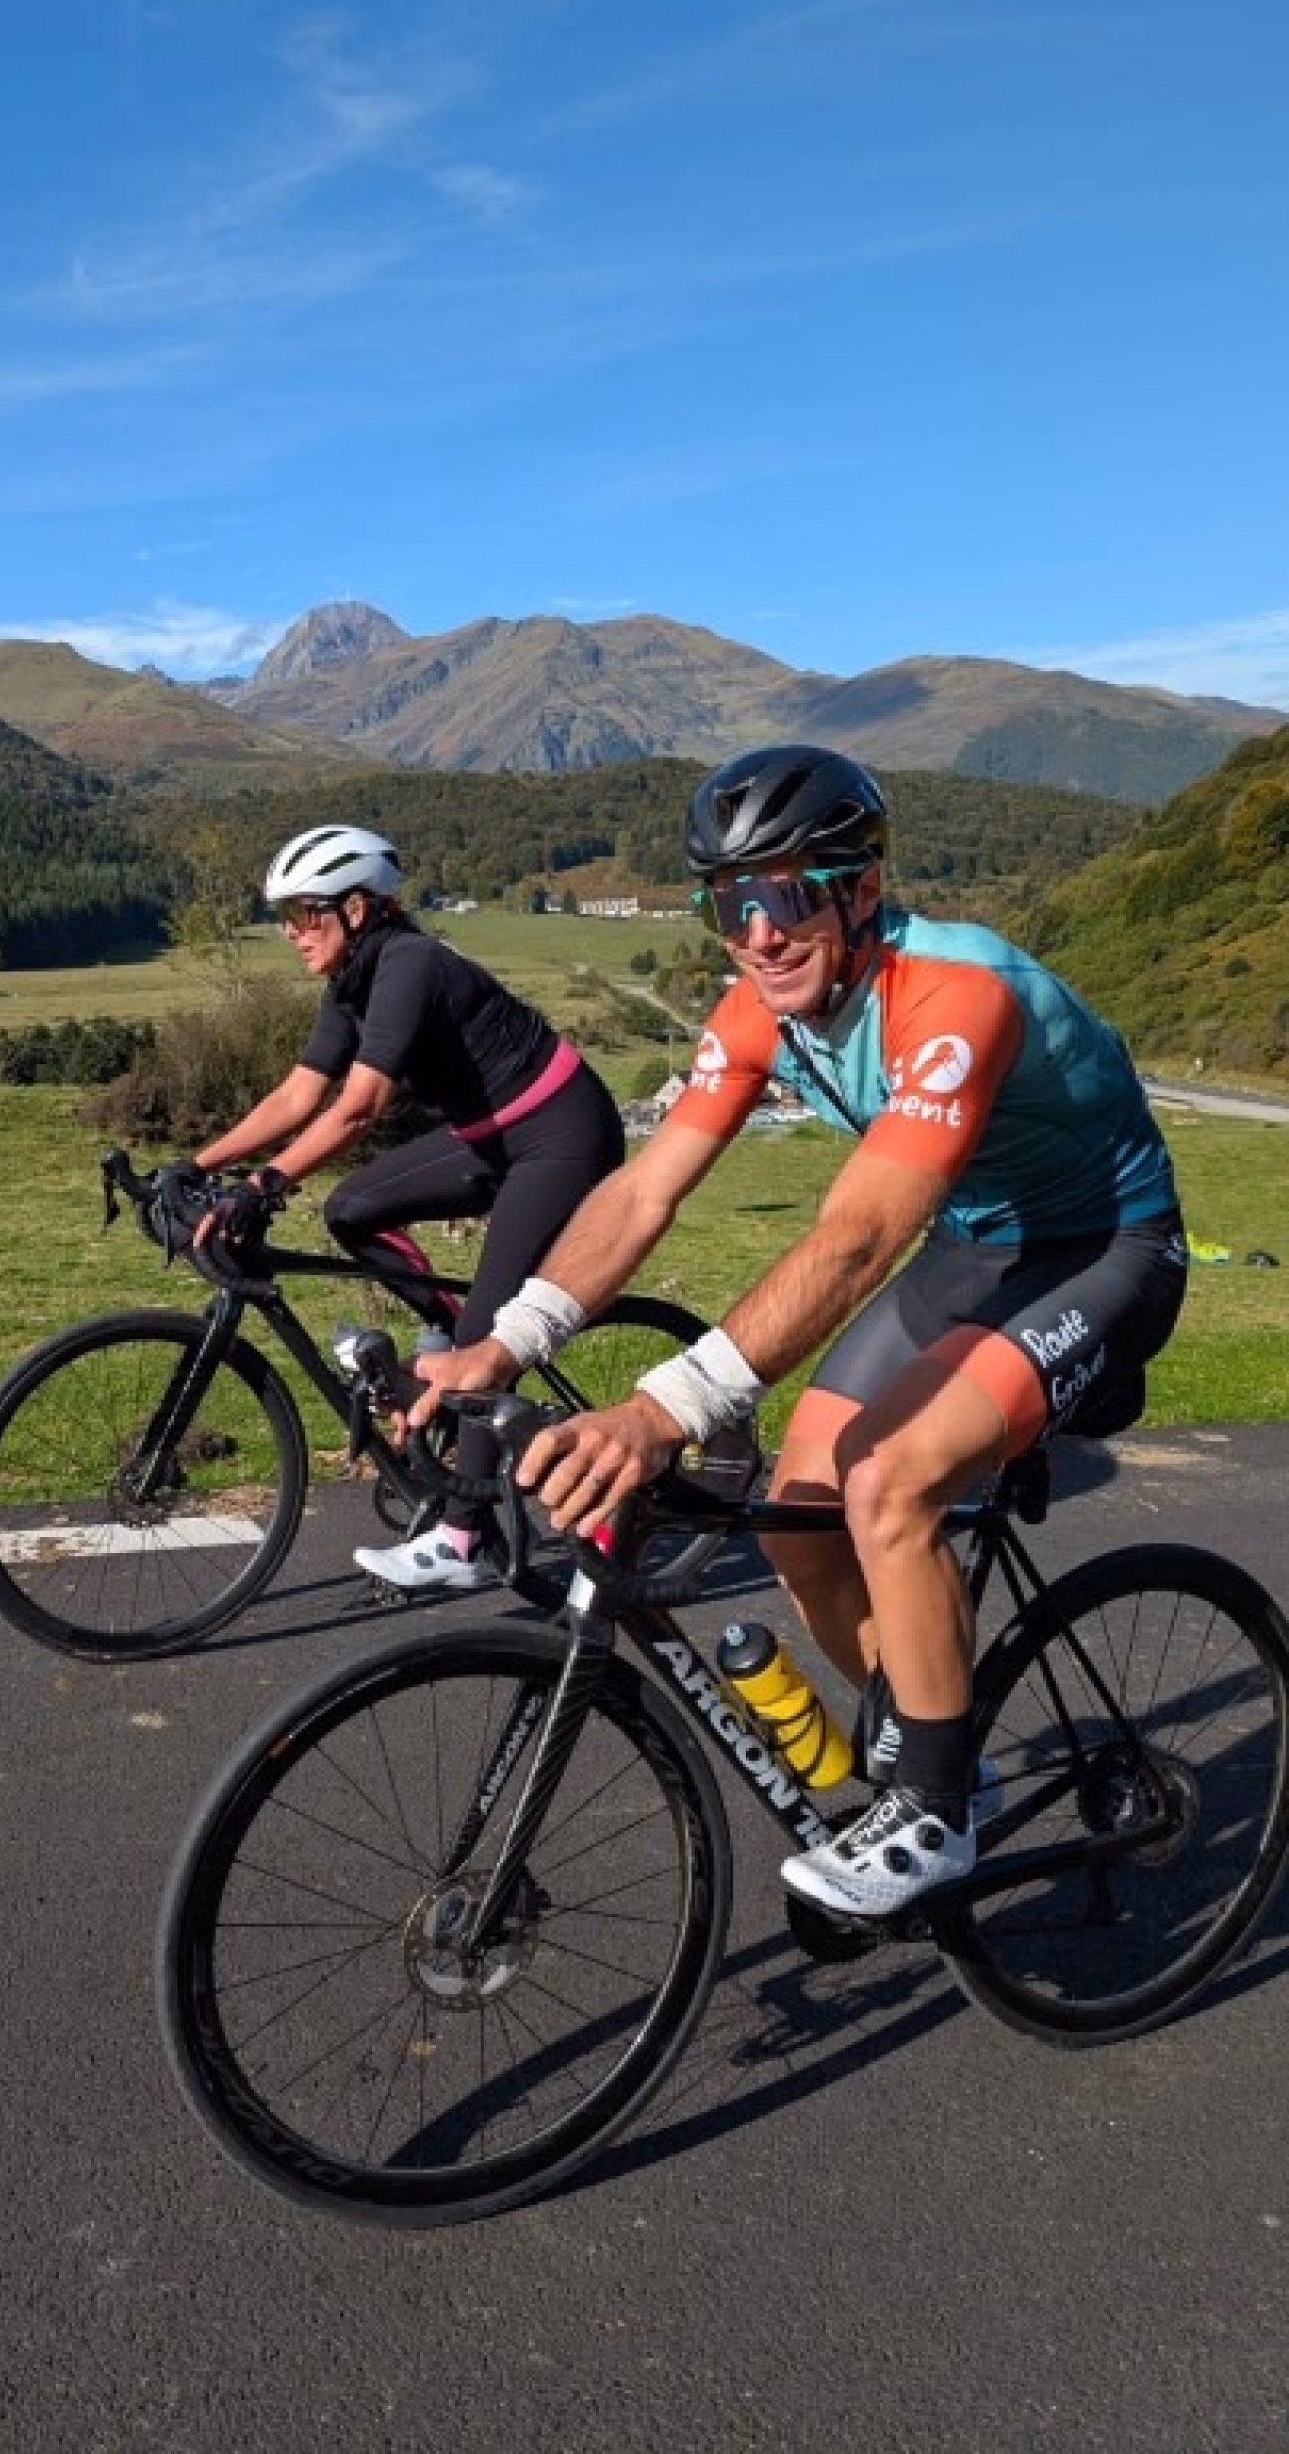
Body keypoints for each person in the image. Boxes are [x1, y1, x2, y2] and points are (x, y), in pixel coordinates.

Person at [413, 745, 1187, 1916]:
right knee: (801, 1512)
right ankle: (944, 1748)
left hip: (1105, 1247)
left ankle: (933, 1815)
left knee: (890, 1482)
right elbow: (644, 1190)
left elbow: (859, 1237)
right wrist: (508, 1337)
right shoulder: (758, 1010)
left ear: (861, 890)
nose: (759, 934)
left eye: (785, 896)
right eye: (728, 906)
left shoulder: (956, 995)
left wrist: (667, 1407)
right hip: (976, 1247)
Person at [175, 822, 626, 1595]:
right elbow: (299, 1095)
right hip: (491, 1136)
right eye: (283, 917)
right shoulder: (351, 982)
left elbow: (359, 1107)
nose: (291, 932)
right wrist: (198, 1163)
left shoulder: (409, 964)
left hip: (561, 1134)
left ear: (355, 909)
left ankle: (463, 1538)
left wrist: (264, 1185)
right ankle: (450, 1345)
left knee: (488, 1326)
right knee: (352, 1208)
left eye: (304, 914)